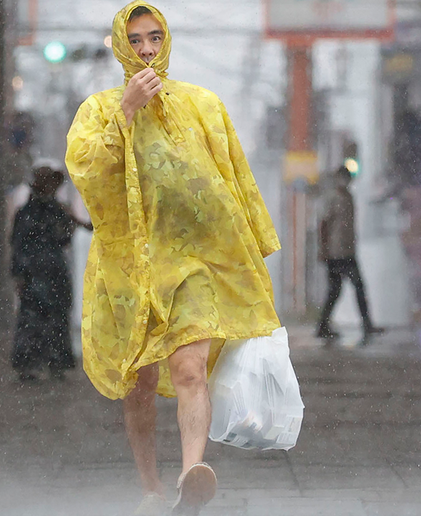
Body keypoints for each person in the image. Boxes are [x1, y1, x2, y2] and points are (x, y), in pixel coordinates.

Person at [65, 2, 282, 514]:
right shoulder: (99, 110)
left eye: (155, 38)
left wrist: (250, 243)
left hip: (193, 264)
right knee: (138, 384)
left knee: (189, 368)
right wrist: (128, 112)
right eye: (135, 39)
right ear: (120, 44)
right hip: (129, 266)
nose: (146, 49)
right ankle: (150, 488)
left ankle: (191, 474)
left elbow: (232, 177)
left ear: (167, 41)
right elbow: (87, 168)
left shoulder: (203, 105)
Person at [9, 167, 89, 382]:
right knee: (34, 318)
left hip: (52, 272)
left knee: (53, 318)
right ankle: (34, 363)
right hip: (37, 272)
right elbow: (19, 244)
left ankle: (51, 362)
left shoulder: (54, 209)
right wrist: (19, 273)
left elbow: (61, 240)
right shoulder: (31, 212)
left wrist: (69, 227)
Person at [316, 165, 381, 338]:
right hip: (335, 253)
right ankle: (325, 326)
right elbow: (323, 223)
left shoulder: (349, 197)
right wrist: (323, 248)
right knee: (341, 289)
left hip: (348, 251)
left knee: (344, 289)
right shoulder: (332, 198)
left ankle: (326, 325)